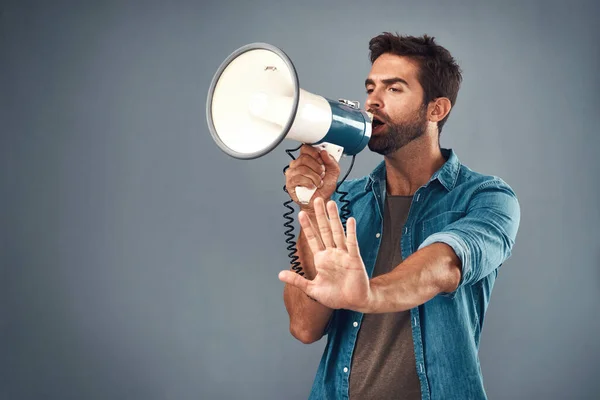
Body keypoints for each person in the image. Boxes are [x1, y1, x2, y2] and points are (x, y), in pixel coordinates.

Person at [278, 32, 521, 400]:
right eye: (371, 87)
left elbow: (445, 265)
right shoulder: (348, 202)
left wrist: (367, 295)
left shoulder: (486, 198)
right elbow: (304, 327)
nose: (373, 102)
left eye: (394, 89)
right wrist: (313, 204)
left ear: (436, 110)